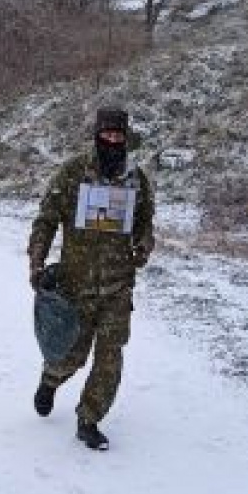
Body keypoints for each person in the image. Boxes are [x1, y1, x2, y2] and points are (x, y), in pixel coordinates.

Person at [27, 105, 155, 451]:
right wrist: (37, 263)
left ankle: (89, 419)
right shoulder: (73, 173)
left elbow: (145, 224)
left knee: (110, 358)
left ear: (126, 138)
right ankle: (51, 380)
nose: (112, 140)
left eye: (118, 135)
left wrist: (143, 246)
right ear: (97, 135)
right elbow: (46, 220)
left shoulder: (136, 179)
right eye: (107, 134)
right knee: (72, 355)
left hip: (118, 286)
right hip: (75, 284)